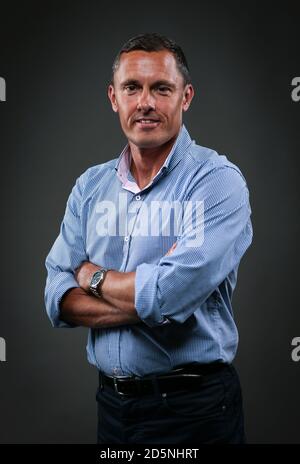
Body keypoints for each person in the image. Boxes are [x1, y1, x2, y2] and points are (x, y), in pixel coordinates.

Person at [44, 33, 253, 444]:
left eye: (161, 88)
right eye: (132, 88)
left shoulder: (217, 183)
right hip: (112, 408)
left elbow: (168, 293)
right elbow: (56, 296)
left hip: (195, 408)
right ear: (113, 97)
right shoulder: (90, 187)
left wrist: (91, 276)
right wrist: (155, 294)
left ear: (186, 96)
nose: (146, 103)